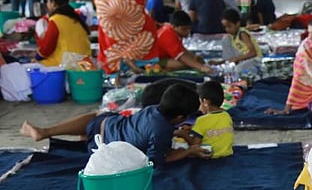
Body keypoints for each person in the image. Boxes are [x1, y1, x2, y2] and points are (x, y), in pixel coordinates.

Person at [20, 82, 207, 164]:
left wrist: (178, 133)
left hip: (107, 126)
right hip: (103, 144)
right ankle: (45, 132)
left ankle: (46, 131)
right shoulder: (163, 130)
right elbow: (158, 159)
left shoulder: (153, 110)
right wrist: (188, 151)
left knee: (98, 117)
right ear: (180, 117)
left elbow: (148, 131)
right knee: (95, 121)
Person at [34, 0, 91, 67]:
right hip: (85, 64)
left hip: (67, 63)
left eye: (48, 2)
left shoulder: (55, 20)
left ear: (53, 3)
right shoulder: (75, 17)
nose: (47, 5)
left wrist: (37, 57)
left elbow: (47, 47)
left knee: (35, 65)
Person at [151, 10, 213, 74]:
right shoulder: (167, 35)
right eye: (184, 29)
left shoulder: (173, 31)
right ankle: (165, 68)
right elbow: (182, 57)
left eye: (189, 29)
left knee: (194, 61)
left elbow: (181, 49)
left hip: (163, 57)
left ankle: (168, 68)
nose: (187, 32)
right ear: (174, 26)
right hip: (155, 60)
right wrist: (201, 67)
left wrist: (194, 57)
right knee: (188, 64)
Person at [189, 80, 233, 159]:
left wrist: (182, 134)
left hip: (208, 155)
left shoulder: (201, 120)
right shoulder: (227, 115)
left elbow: (195, 145)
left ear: (205, 102)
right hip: (227, 153)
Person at [219, 7, 262, 75]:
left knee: (237, 70)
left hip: (254, 60)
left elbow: (253, 53)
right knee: (225, 39)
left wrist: (237, 59)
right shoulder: (232, 36)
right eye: (225, 27)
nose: (227, 29)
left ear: (237, 24)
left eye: (229, 26)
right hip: (244, 58)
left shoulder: (242, 34)